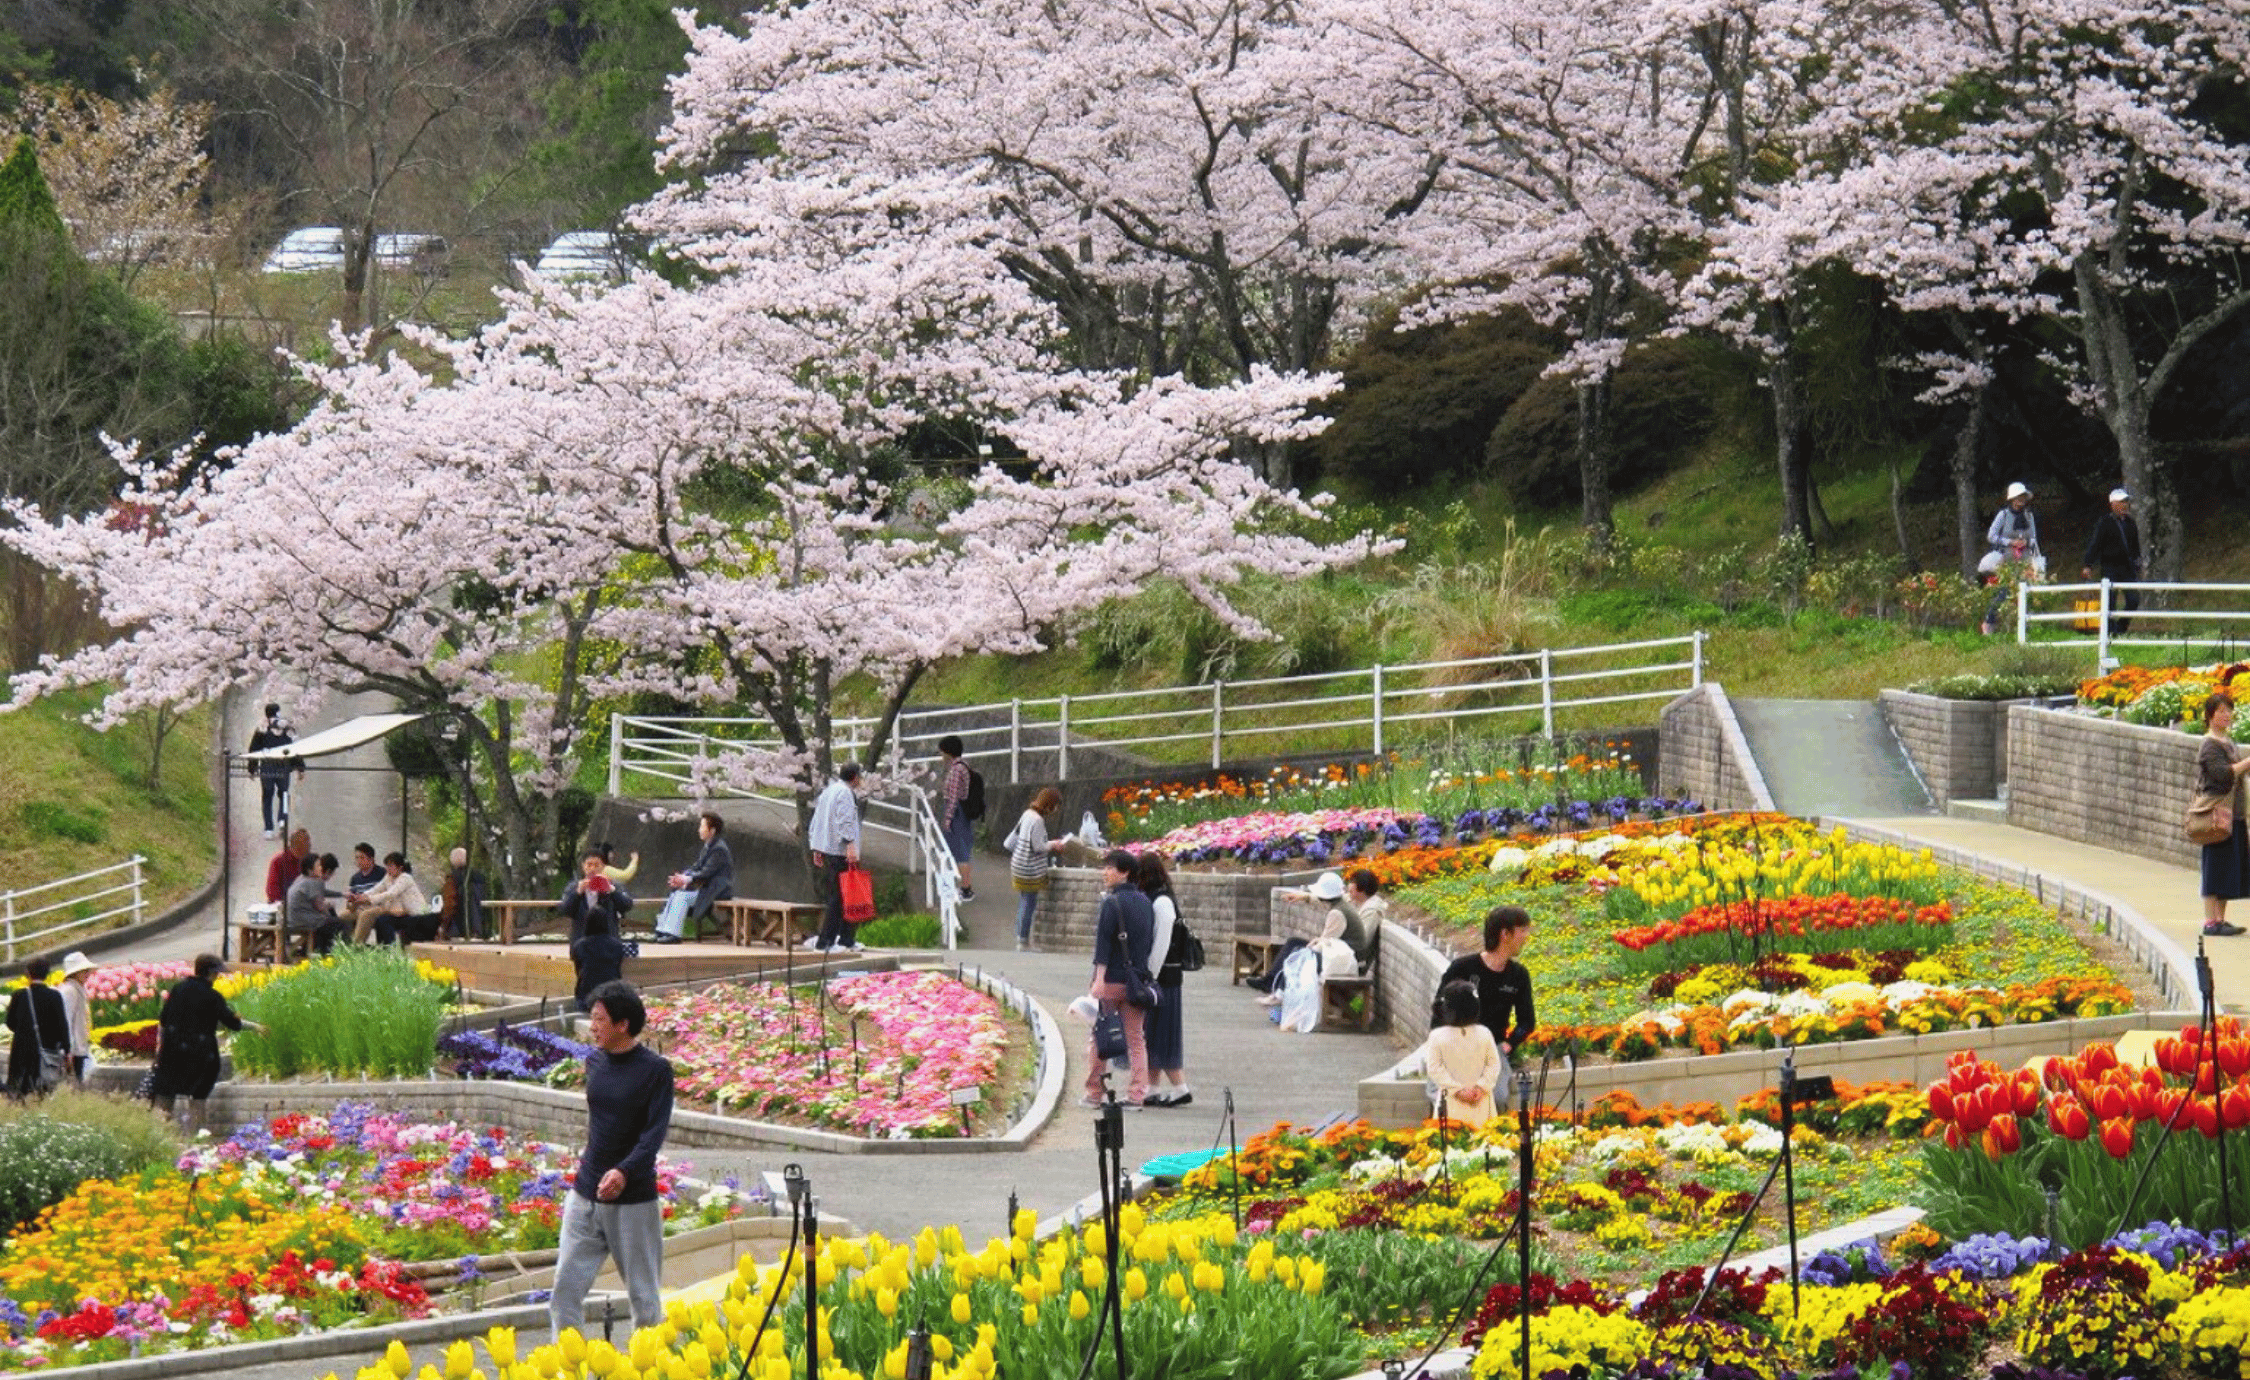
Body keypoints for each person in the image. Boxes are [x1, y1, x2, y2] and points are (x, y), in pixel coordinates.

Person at [549, 981, 674, 1339]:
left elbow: (653, 1135)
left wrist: (624, 1170)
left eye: (601, 1019)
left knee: (645, 1300)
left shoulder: (655, 1071)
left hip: (633, 1201)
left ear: (623, 1024)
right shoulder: (594, 1061)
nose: (594, 1026)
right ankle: (567, 1369)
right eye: (592, 1017)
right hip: (585, 1194)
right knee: (565, 1292)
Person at [150, 953, 263, 1134]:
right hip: (200, 1055)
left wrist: (159, 1050)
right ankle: (195, 1139)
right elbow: (232, 1022)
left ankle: (156, 1138)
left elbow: (163, 1022)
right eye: (217, 974)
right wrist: (256, 1027)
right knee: (198, 1097)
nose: (218, 978)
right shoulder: (212, 997)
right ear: (211, 973)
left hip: (171, 1054)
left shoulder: (178, 989)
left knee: (164, 1095)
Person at [1083, 849, 1155, 1108]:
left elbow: (1103, 945)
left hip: (1112, 978)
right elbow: (1148, 942)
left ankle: (1094, 1092)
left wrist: (1098, 980)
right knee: (1136, 1039)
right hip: (1136, 980)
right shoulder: (1145, 902)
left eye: (1110, 868)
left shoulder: (1111, 903)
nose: (1105, 872)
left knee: (1100, 1035)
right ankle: (1137, 1094)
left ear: (1124, 872)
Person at [1440, 905, 1537, 1059]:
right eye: (1523, 930)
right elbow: (1440, 1008)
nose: (1526, 936)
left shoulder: (1519, 975)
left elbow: (1527, 1022)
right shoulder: (1462, 968)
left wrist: (1508, 1045)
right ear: (1505, 934)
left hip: (1493, 1057)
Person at [1137, 852, 1192, 1107]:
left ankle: (1179, 1088)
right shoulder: (1163, 897)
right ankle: (1153, 1087)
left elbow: (1161, 943)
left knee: (1161, 1032)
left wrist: (1150, 975)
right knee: (1156, 1033)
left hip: (1163, 978)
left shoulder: (1160, 902)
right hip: (1167, 976)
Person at [2196, 691, 2250, 938]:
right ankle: (2210, 921)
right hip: (2217, 814)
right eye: (2221, 711)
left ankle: (2221, 919)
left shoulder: (2228, 743)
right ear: (2210, 716)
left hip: (2233, 814)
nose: (2226, 716)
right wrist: (2247, 763)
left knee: (2228, 866)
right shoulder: (2209, 745)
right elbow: (2223, 774)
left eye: (2229, 710)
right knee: (2214, 865)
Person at [1419, 979, 1503, 1127]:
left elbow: (1435, 1069)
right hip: (1481, 1100)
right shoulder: (1485, 1033)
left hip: (1450, 1101)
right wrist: (1481, 1087)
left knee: (1453, 1144)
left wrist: (1457, 1090)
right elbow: (1494, 1065)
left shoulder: (1436, 1035)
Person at [808, 764, 864, 953]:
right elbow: (844, 819)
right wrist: (850, 844)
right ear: (855, 777)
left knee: (842, 896)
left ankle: (846, 940)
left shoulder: (828, 791)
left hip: (828, 848)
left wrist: (817, 847)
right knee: (841, 898)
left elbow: (818, 819)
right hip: (841, 851)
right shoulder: (845, 793)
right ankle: (825, 942)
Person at [2081, 487, 2146, 637]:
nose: (2125, 505)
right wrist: (2088, 564)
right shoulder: (2105, 523)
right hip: (2110, 567)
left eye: (2126, 502)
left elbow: (2135, 547)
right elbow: (2095, 544)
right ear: (2113, 504)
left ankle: (2120, 627)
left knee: (2133, 599)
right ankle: (2110, 631)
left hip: (2127, 568)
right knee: (2109, 601)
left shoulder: (2131, 523)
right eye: (2121, 502)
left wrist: (2138, 563)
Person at [1008, 787, 1067, 951]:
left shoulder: (1027, 814)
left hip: (1018, 864)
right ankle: (1023, 941)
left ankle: (1021, 938)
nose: (1056, 810)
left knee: (1024, 901)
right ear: (1050, 804)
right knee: (1029, 903)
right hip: (1029, 868)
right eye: (1055, 805)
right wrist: (1054, 844)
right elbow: (1038, 846)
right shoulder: (1038, 820)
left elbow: (1016, 837)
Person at [660, 811, 733, 942]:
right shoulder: (710, 846)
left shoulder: (719, 849)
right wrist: (682, 877)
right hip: (707, 888)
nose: (699, 830)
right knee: (676, 893)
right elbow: (696, 867)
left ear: (712, 830)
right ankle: (663, 930)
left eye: (702, 826)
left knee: (682, 897)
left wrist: (686, 879)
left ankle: (674, 934)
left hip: (717, 890)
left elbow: (706, 872)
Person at [3, 956, 68, 1098]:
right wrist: (66, 1048)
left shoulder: (19, 995)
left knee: (21, 1088)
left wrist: (23, 1031)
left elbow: (10, 1022)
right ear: (47, 974)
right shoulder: (54, 996)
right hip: (47, 1049)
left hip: (22, 1049)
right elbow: (62, 1025)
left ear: (28, 973)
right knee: (44, 1089)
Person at [245, 702, 302, 839]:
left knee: (267, 797)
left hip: (267, 766)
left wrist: (252, 768)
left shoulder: (262, 728)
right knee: (284, 794)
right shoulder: (287, 727)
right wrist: (300, 767)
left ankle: (268, 829)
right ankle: (282, 820)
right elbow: (295, 748)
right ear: (278, 712)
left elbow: (254, 749)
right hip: (283, 766)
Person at [347, 852, 430, 944]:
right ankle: (378, 947)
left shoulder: (405, 878)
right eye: (387, 866)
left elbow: (390, 894)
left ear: (400, 868)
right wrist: (361, 896)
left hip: (414, 915)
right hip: (397, 912)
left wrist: (369, 899)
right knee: (380, 919)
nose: (388, 869)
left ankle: (360, 946)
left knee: (380, 919)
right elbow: (376, 889)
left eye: (391, 866)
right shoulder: (388, 877)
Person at [935, 735, 976, 900]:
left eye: (942, 751)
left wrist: (947, 818)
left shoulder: (956, 770)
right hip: (963, 813)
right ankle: (963, 888)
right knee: (961, 851)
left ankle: (964, 889)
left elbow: (952, 797)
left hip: (956, 813)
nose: (941, 755)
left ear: (948, 752)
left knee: (957, 852)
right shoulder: (964, 766)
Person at [562, 852, 633, 943]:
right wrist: (577, 893)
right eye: (589, 865)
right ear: (583, 866)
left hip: (608, 941)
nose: (592, 869)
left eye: (596, 865)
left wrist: (611, 890)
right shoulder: (574, 886)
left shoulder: (614, 886)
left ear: (603, 866)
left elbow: (627, 905)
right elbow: (565, 910)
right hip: (580, 941)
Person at [286, 852, 348, 954]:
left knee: (329, 922)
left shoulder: (301, 878)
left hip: (292, 918)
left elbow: (320, 893)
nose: (321, 867)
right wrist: (329, 913)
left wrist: (341, 895)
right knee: (339, 925)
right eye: (318, 865)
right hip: (301, 920)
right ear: (310, 869)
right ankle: (333, 952)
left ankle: (317, 949)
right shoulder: (313, 881)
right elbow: (319, 907)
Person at [58, 951, 96, 1086]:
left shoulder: (78, 988)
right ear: (74, 973)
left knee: (79, 1083)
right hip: (74, 1050)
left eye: (87, 970)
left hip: (80, 1046)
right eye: (83, 971)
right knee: (75, 1083)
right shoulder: (69, 991)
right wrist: (68, 1049)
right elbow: (66, 1020)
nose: (87, 974)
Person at [441, 847, 488, 941]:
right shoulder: (480, 877)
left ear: (452, 860)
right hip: (480, 929)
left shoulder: (452, 880)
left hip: (457, 929)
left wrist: (444, 924)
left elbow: (450, 904)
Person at [264, 828, 311, 905]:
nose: (310, 845)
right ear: (297, 844)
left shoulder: (309, 862)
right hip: (285, 909)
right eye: (306, 841)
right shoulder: (279, 862)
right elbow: (272, 892)